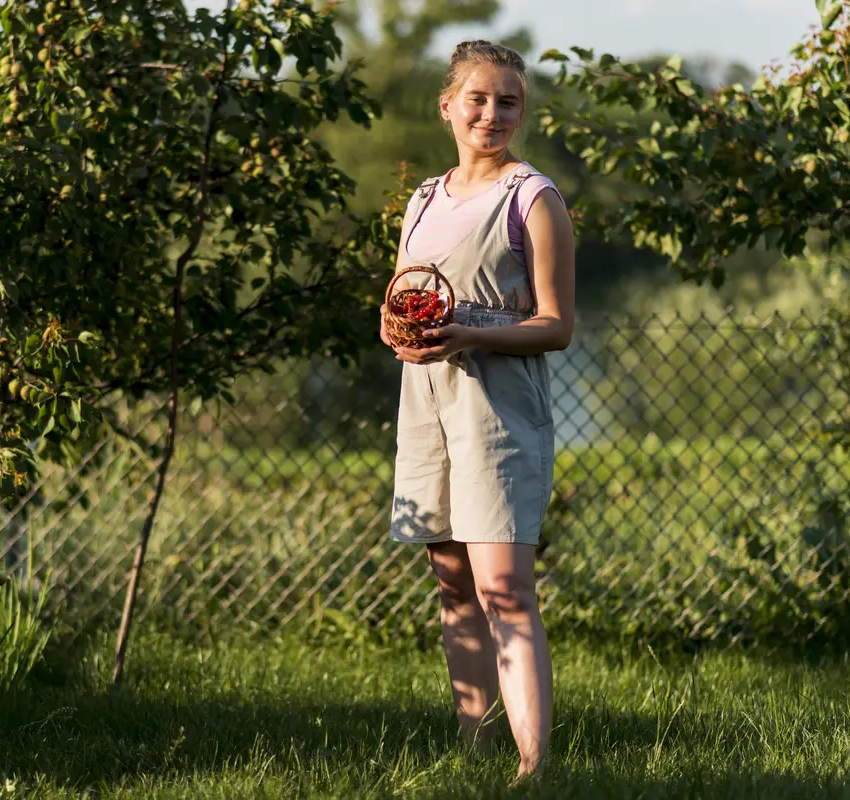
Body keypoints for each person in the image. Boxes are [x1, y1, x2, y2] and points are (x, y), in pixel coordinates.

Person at [379, 40, 576, 780]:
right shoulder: (424, 198)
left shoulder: (533, 198)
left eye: (508, 102)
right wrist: (395, 326)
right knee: (453, 583)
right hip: (426, 395)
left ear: (522, 111)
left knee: (504, 589)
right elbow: (402, 296)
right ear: (449, 106)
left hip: (496, 403)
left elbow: (557, 325)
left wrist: (471, 332)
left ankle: (535, 766)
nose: (492, 114)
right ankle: (475, 749)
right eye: (479, 99)